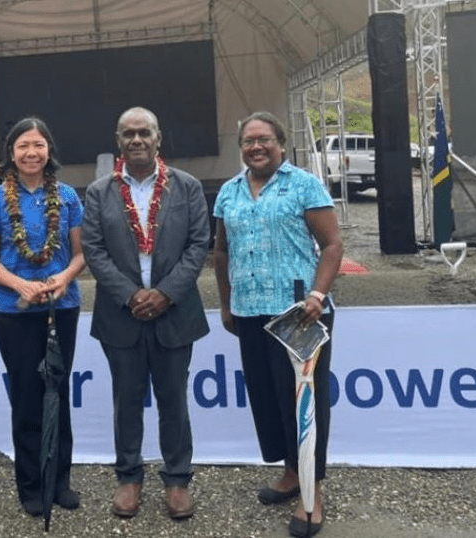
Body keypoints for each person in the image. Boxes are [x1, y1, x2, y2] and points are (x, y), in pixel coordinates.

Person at [213, 111, 343, 538]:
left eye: (264, 139)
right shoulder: (229, 192)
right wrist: (228, 305)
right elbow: (222, 253)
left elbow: (331, 245)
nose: (255, 147)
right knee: (268, 399)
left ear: (281, 144)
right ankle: (290, 473)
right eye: (248, 141)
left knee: (305, 403)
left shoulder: (303, 184)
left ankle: (312, 492)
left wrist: (318, 296)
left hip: (298, 313)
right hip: (250, 313)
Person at [82, 107, 210, 520]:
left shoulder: (188, 187)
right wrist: (132, 294)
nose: (136, 140)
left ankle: (176, 479)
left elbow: (198, 246)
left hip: (175, 312)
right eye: (128, 134)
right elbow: (94, 250)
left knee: (174, 399)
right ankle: (129, 477)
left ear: (159, 138)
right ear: (118, 141)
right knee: (126, 399)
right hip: (121, 314)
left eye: (144, 133)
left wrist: (166, 294)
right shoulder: (99, 191)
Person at [0, 117, 85, 516]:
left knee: (58, 392)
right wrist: (20, 285)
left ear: (49, 150)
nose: (31, 153)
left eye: (38, 144)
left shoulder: (69, 196)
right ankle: (31, 485)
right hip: (14, 311)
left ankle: (60, 480)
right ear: (11, 152)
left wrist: (64, 276)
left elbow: (80, 253)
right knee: (26, 397)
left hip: (61, 307)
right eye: (23, 145)